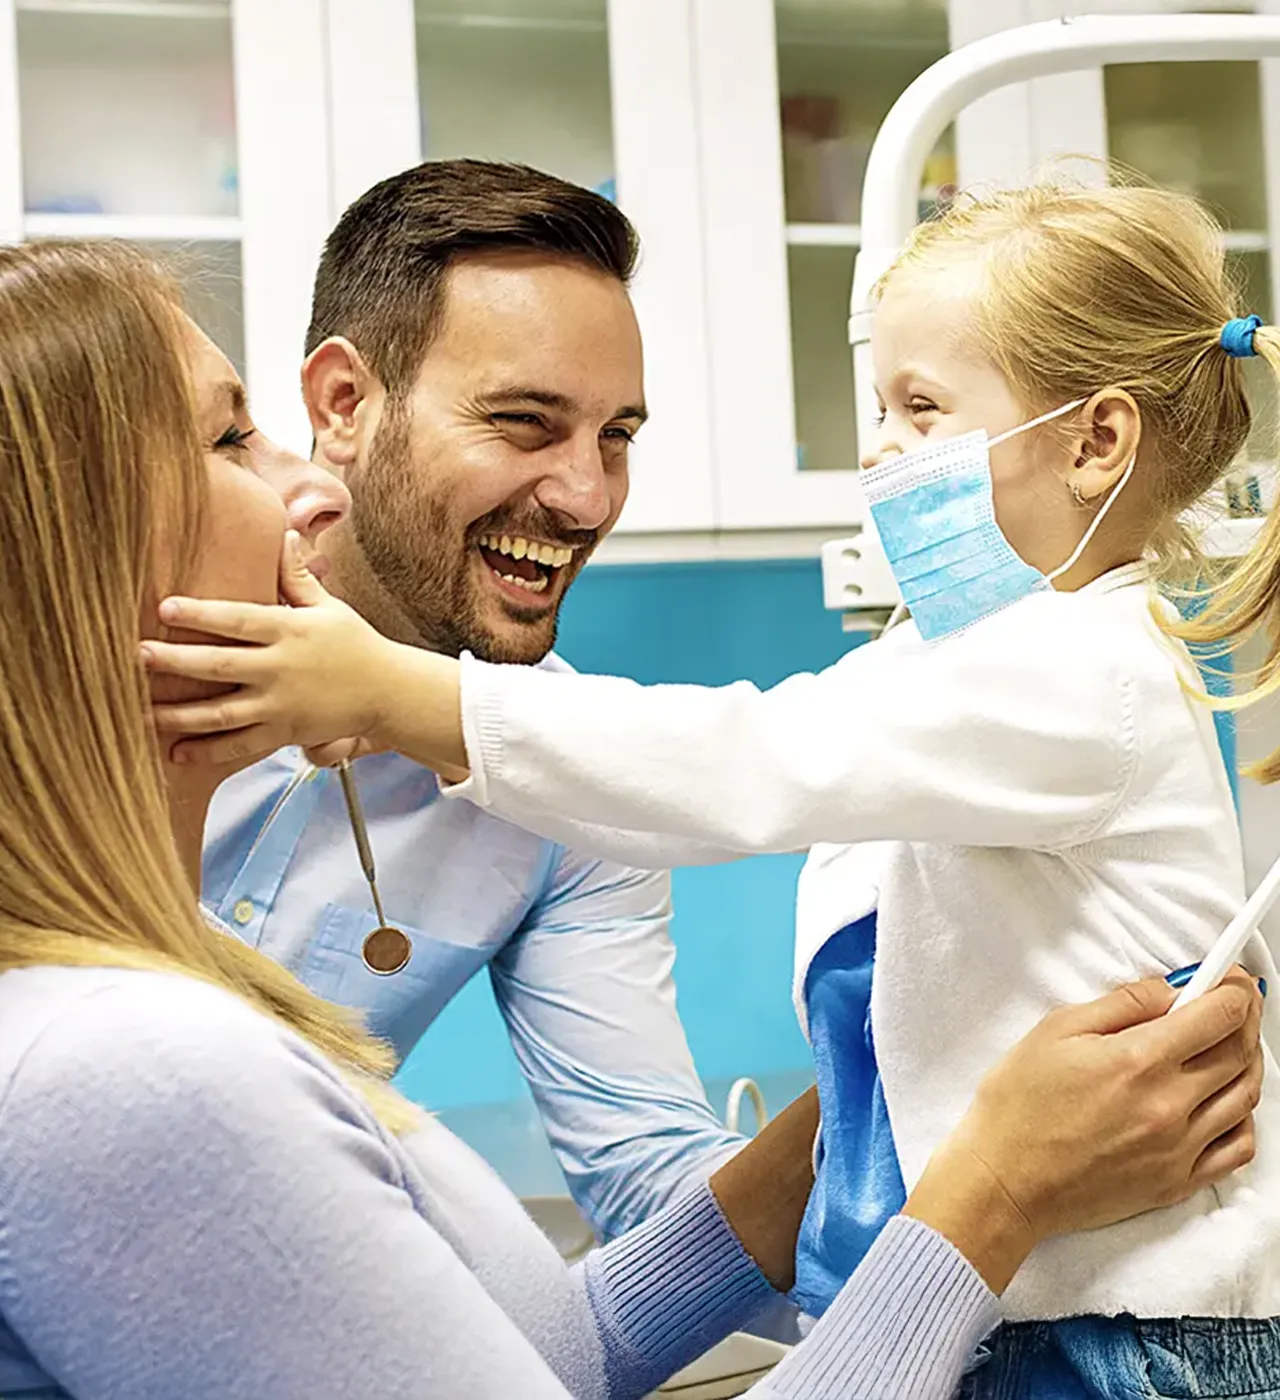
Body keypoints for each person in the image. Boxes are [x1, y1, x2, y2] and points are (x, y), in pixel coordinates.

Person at [0, 238, 1266, 1400]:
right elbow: (750, 750)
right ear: (78, 561)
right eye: (234, 442)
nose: (301, 491)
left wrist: (888, 1116)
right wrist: (987, 1192)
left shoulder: (517, 807)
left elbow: (539, 1350)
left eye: (617, 436)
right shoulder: (129, 1065)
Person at [199, 159, 744, 1241]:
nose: (586, 496)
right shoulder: (96, 649)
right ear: (344, 404)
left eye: (617, 437)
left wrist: (969, 1212)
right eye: (523, 423)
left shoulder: (569, 775)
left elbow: (651, 1171)